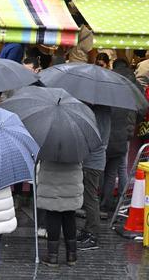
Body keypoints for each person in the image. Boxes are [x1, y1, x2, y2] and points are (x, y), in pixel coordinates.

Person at [102, 59, 138, 212]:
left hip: (107, 139)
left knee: (102, 171)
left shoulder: (108, 95)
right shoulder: (131, 89)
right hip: (122, 139)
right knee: (117, 171)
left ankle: (102, 203)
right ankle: (121, 202)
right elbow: (140, 109)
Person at [38, 159, 83, 267]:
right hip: (71, 185)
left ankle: (52, 256)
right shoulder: (76, 146)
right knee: (70, 216)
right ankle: (71, 255)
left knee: (53, 217)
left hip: (51, 185)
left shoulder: (47, 146)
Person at [78, 104, 110, 251]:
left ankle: (93, 235)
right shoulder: (106, 110)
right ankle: (88, 229)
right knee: (89, 197)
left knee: (90, 198)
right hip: (95, 160)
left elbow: (93, 137)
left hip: (93, 161)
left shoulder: (97, 112)